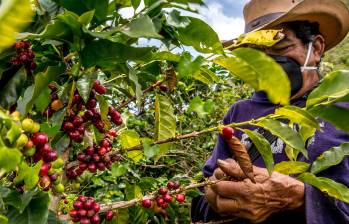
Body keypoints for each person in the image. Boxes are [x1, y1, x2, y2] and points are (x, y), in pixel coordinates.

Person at [191, 0, 349, 223]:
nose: (268, 63)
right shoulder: (238, 114)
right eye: (257, 53)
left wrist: (300, 198)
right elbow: (201, 195)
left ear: (316, 48)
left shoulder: (343, 110)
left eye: (281, 48)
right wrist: (214, 195)